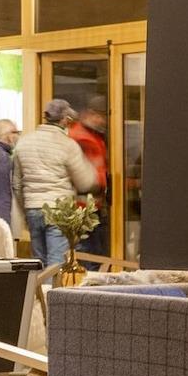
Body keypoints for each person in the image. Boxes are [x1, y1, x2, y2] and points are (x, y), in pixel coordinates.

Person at [11, 98, 97, 267]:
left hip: (32, 208)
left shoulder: (23, 142)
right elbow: (85, 182)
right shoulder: (67, 145)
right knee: (56, 263)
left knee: (39, 263)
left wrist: (26, 208)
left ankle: (39, 286)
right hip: (58, 210)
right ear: (64, 119)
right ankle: (51, 286)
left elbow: (17, 185)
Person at [69, 95, 112, 259]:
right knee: (87, 252)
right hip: (83, 204)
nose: (103, 121)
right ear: (90, 114)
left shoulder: (94, 135)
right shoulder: (81, 137)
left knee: (95, 251)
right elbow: (87, 173)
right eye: (101, 116)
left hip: (93, 204)